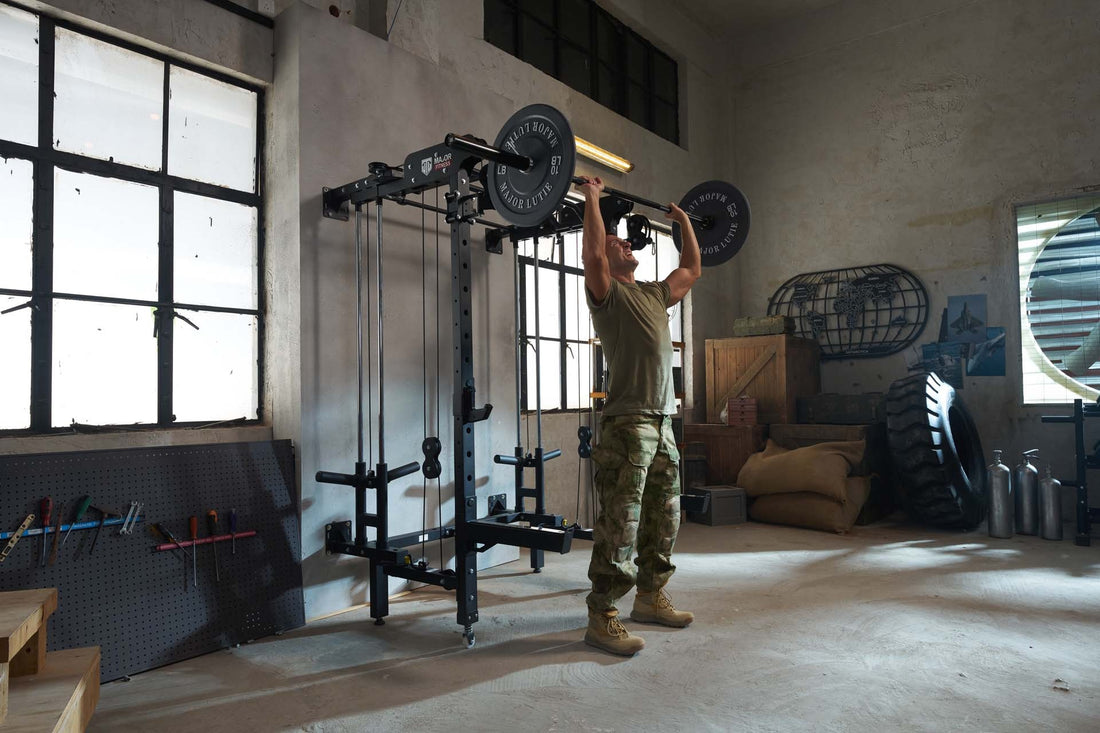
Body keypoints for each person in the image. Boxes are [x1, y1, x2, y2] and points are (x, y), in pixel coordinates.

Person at [577, 175, 702, 656]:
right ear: (606, 259)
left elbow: (691, 267)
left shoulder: (653, 294)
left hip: (663, 423)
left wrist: (684, 223)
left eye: (625, 241)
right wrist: (591, 199)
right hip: (627, 424)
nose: (625, 243)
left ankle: (650, 596)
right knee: (620, 522)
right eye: (616, 242)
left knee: (664, 516)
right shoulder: (606, 295)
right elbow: (590, 255)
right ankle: (602, 614)